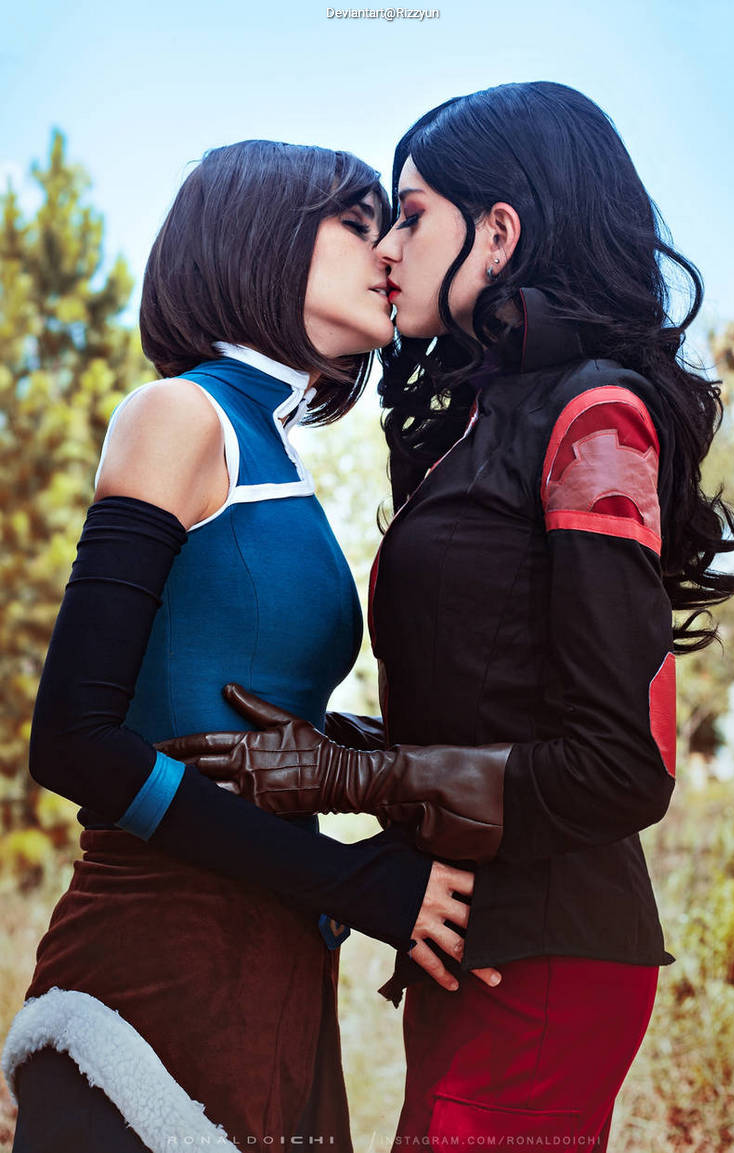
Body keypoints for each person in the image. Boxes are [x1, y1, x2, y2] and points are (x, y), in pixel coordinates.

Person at [160, 84, 734, 1150]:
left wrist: (357, 777)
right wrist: (337, 743)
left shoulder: (595, 416)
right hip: (473, 938)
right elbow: (500, 699)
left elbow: (620, 766)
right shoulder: (487, 419)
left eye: (413, 213)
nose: (388, 246)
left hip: (549, 959)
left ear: (500, 232)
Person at [1, 138, 504, 1153]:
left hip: (276, 971)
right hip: (148, 978)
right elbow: (74, 742)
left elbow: (269, 729)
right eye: (358, 226)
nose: (388, 254)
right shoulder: (178, 414)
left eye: (392, 227)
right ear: (259, 235)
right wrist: (366, 886)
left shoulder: (281, 451)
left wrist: (399, 790)